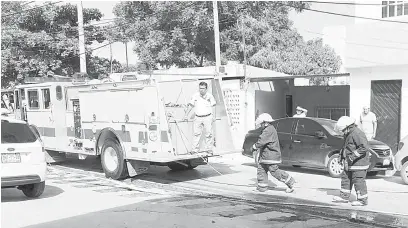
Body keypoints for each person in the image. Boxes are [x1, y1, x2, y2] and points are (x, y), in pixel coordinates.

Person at [252, 113, 295, 193]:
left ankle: (290, 181)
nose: (260, 125)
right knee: (261, 170)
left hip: (270, 156)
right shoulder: (269, 129)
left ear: (265, 122)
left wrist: (254, 146)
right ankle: (262, 187)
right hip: (266, 156)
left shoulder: (268, 130)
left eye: (261, 123)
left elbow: (261, 141)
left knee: (274, 171)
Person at [333, 116, 370, 206]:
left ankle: (362, 200)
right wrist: (341, 156)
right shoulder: (348, 133)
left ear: (348, 126)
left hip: (359, 163)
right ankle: (344, 197)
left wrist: (352, 157)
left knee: (358, 181)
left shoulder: (357, 133)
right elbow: (346, 147)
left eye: (343, 130)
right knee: (346, 178)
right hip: (349, 162)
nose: (342, 132)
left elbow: (364, 147)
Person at [183, 82, 216, 154]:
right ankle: (194, 150)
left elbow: (213, 106)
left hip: (207, 117)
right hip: (198, 117)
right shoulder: (195, 96)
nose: (201, 90)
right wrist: (186, 115)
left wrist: (214, 116)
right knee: (196, 134)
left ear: (206, 89)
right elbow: (191, 106)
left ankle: (209, 149)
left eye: (203, 88)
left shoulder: (210, 96)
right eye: (200, 88)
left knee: (209, 134)